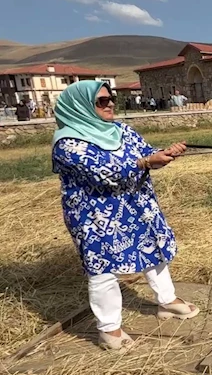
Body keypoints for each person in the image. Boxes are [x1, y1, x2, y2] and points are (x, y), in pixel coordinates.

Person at [51, 80, 199, 351]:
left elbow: (145, 153)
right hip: (95, 216)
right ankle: (109, 329)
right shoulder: (67, 144)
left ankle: (167, 301)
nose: (109, 105)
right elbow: (102, 173)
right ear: (80, 105)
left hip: (137, 205)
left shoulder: (121, 130)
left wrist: (164, 154)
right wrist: (144, 162)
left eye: (111, 99)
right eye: (101, 101)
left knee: (153, 249)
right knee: (103, 269)